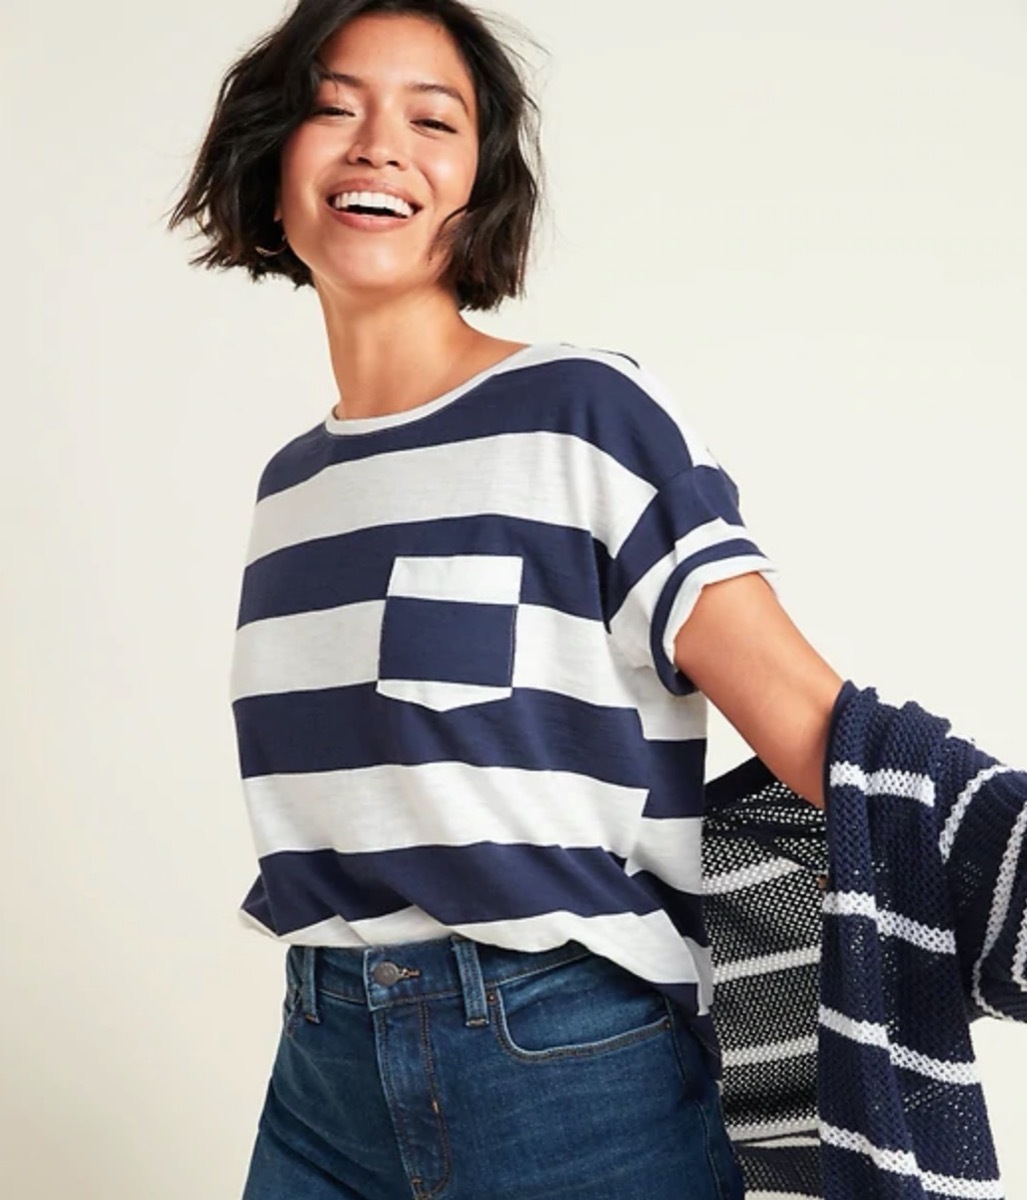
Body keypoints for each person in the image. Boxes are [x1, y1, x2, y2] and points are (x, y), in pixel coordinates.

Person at [166, 1, 845, 1196]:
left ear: (477, 193)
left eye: (434, 120)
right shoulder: (290, 490)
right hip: (321, 1066)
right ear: (270, 165)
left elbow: (798, 707)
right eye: (335, 107)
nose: (379, 144)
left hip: (565, 1063)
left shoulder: (583, 411)